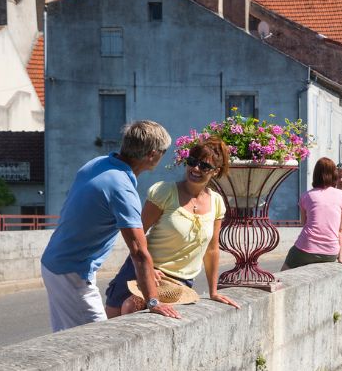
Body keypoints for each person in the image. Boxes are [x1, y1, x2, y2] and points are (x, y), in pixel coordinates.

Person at [41, 120, 181, 332]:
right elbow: (138, 251)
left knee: (67, 336)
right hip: (71, 271)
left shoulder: (98, 164)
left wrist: (149, 272)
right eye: (163, 152)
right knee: (97, 339)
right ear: (152, 154)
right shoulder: (122, 188)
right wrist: (153, 301)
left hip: (57, 262)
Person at [103, 136, 241, 317]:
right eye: (192, 162)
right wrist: (149, 269)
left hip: (176, 281)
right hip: (143, 270)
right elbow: (137, 236)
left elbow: (212, 250)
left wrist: (213, 291)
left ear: (216, 171)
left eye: (204, 166)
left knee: (131, 307)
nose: (196, 168)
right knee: (112, 322)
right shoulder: (164, 192)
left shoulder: (216, 202)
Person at [282, 157, 342, 270]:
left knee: (283, 274)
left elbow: (304, 223)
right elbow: (341, 230)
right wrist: (340, 258)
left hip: (306, 248)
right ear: (334, 174)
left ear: (316, 174)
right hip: (330, 253)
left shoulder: (306, 196)